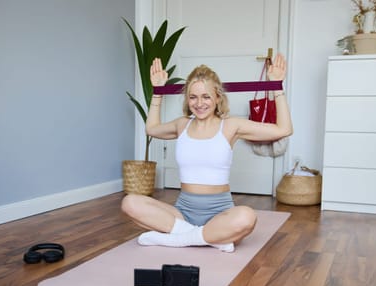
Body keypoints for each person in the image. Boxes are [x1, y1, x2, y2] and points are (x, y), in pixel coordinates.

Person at [121, 53, 293, 253]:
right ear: (187, 99)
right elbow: (151, 128)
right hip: (182, 212)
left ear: (218, 97)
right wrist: (157, 91)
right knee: (130, 202)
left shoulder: (231, 126)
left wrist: (277, 86)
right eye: (193, 97)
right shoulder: (182, 125)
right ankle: (204, 237)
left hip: (220, 214)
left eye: (206, 97)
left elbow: (284, 129)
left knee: (246, 217)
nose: (199, 103)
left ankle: (179, 238)